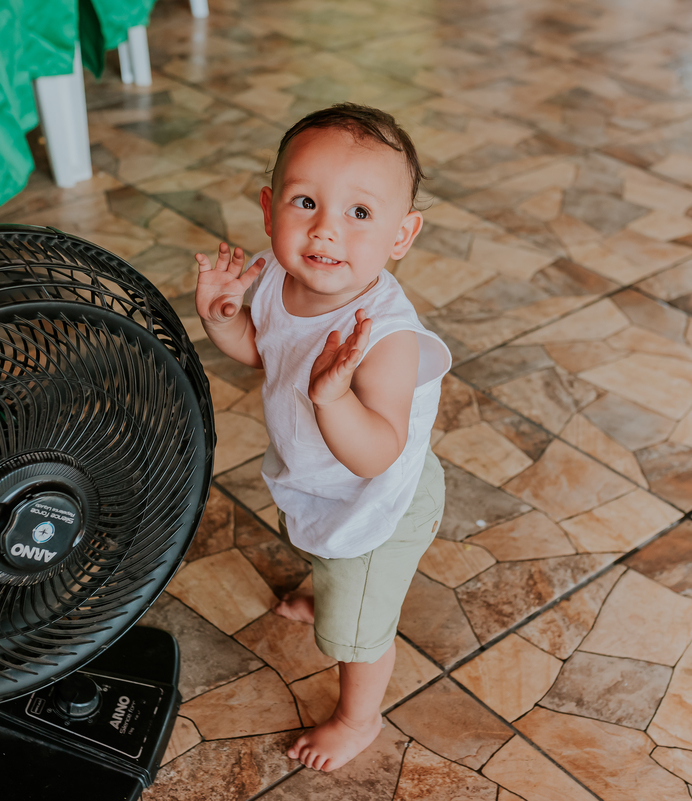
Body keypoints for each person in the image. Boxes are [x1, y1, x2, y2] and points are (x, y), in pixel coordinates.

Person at [193, 103, 451, 772]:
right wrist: (225, 320)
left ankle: (357, 717)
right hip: (322, 484)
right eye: (306, 201)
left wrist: (332, 396)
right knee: (318, 543)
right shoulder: (281, 278)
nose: (326, 230)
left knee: (357, 634)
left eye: (360, 214)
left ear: (403, 233)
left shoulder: (386, 337)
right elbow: (265, 351)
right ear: (269, 205)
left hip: (376, 504)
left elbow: (377, 451)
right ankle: (330, 582)